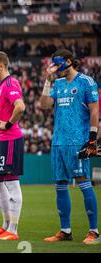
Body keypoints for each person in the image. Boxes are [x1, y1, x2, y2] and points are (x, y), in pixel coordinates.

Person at [40, 49, 99, 244]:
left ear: (68, 61)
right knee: (60, 186)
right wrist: (47, 80)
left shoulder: (86, 82)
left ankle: (94, 231)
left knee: (84, 183)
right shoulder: (56, 83)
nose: (55, 68)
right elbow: (45, 105)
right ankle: (65, 231)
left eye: (57, 64)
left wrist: (92, 139)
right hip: (58, 142)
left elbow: (94, 111)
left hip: (78, 141)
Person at [0, 51, 26, 241]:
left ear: (1, 66)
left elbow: (20, 107)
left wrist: (9, 124)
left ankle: (13, 230)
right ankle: (5, 225)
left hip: (10, 138)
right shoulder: (2, 84)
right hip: (1, 140)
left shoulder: (10, 83)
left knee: (11, 183)